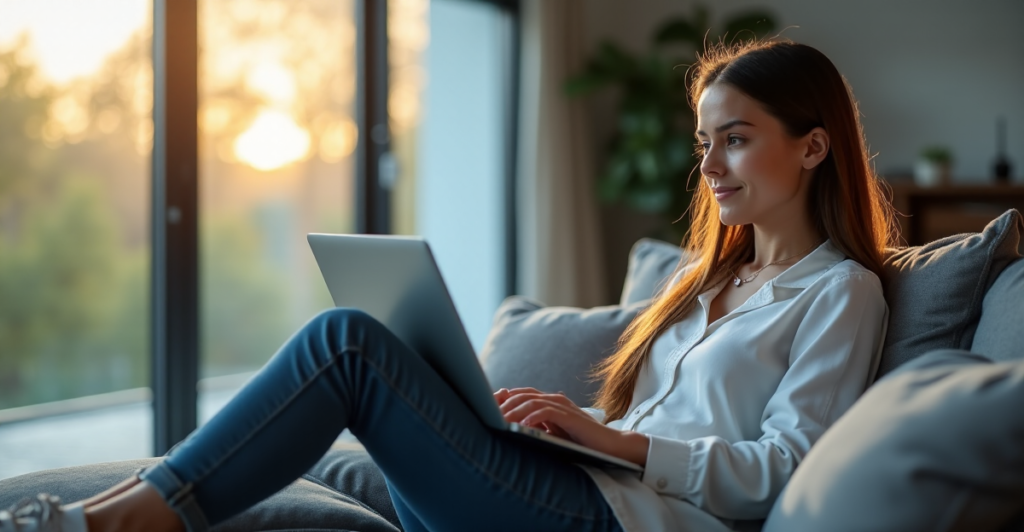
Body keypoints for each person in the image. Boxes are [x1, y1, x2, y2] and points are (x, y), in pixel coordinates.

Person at [0, 37, 897, 532]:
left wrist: (609, 440)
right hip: (580, 484)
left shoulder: (841, 294)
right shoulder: (706, 285)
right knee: (353, 436)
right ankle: (108, 512)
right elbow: (668, 417)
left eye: (735, 139)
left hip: (623, 520)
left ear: (812, 147)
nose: (710, 165)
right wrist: (559, 428)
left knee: (349, 344)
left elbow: (782, 474)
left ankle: (121, 522)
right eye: (704, 143)